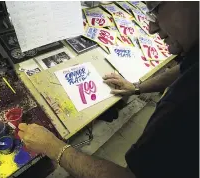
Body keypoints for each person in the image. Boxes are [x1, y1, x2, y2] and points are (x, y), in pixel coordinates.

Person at [18, 2, 199, 178]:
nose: (151, 28)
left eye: (155, 9)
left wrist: (53, 148)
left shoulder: (184, 103)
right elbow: (183, 68)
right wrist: (137, 87)